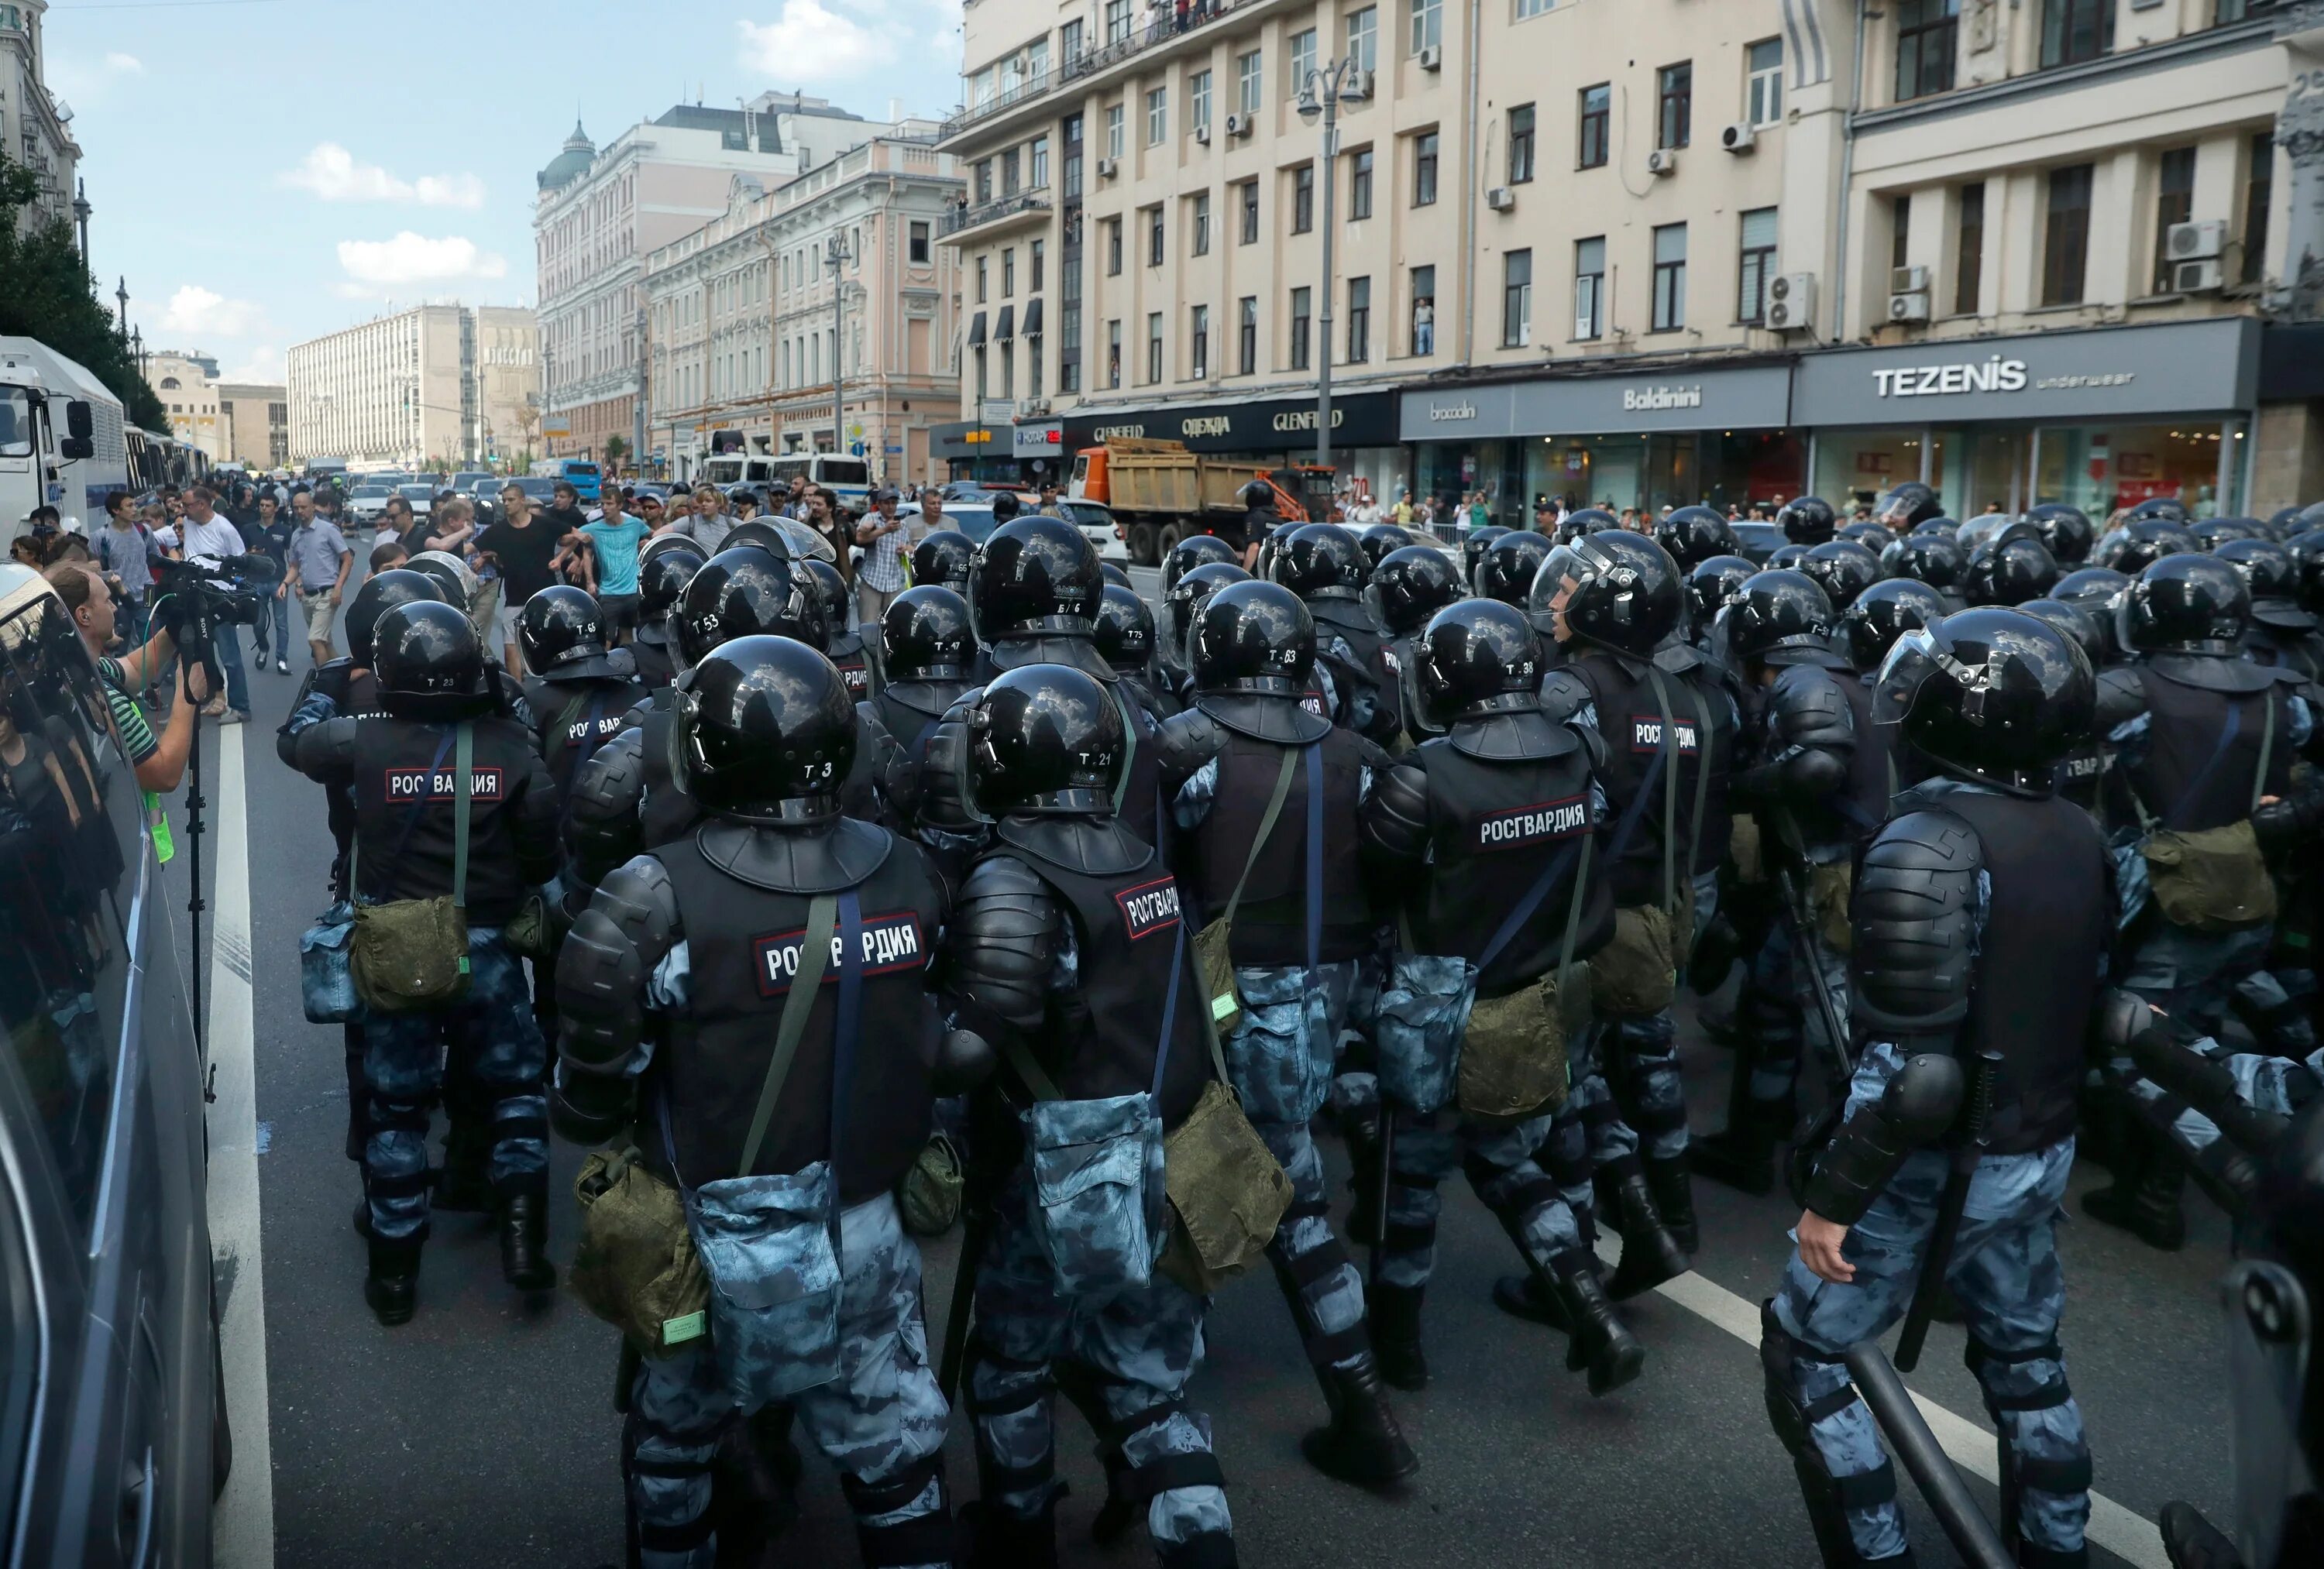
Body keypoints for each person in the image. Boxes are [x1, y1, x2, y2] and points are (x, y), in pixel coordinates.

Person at [552, 634, 959, 1569]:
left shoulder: (656, 892)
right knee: (896, 1456)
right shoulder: (913, 871)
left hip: (711, 1235)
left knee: (673, 1442)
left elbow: (587, 1087)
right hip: (868, 1222)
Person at [1762, 606, 2106, 1569]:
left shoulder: (1930, 841)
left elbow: (1914, 1077)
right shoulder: (2079, 828)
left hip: (1936, 1164)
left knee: (1807, 1353)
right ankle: (2057, 1547)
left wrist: (1832, 1201)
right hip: (2037, 1148)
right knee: (2027, 1361)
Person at [940, 663, 1240, 1568]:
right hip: (1163, 1148)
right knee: (1156, 1388)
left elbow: (971, 1047)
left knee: (1009, 1367)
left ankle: (1019, 1539)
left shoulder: (1013, 878)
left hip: (1058, 1166)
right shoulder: (1138, 853)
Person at [1153, 581, 1416, 1488]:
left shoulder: (1187, 748)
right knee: (1296, 1191)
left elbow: (1147, 875)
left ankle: (1166, 1440)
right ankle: (1363, 1406)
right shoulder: (1360, 754)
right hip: (1326, 992)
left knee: (1180, 1189)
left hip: (1214, 998)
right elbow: (1389, 871)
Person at [1356, 599, 1637, 1393]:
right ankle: (1594, 1311)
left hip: (1442, 1009)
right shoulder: (1581, 758)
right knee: (1512, 1161)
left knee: (1412, 1178)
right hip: (1547, 999)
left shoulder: (1424, 775)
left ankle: (1398, 1345)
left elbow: (1377, 879)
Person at [290, 600, 561, 1323]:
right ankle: (525, 1246)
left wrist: (329, 675)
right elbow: (542, 852)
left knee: (397, 1112)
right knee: (517, 1096)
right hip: (493, 953)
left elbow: (298, 743)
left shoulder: (363, 742)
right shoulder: (510, 745)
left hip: (397, 954)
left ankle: (396, 1278)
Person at [2082, 553, 2320, 1250]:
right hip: (2246, 897)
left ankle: (2240, 1176)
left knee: (2142, 1054)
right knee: (2198, 1042)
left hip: (2162, 908)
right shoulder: (2288, 696)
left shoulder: (2129, 691)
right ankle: (2147, 1193)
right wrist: (2279, 822)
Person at [1534, 530, 1737, 1267]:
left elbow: (1554, 804)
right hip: (1666, 905)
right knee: (1653, 1062)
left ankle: (1582, 1253)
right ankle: (1674, 1219)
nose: (1555, 599)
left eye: (1567, 590)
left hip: (1592, 916)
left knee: (1568, 1078)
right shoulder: (1689, 689)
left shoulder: (1574, 689)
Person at [1694, 569, 1889, 1196]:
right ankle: (1753, 1140)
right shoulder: (1848, 680)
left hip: (1830, 881)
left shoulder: (1805, 682)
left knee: (1838, 1040)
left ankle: (1859, 1183)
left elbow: (1817, 766)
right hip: (1818, 877)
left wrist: (1737, 789)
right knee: (1769, 1004)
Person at [46, 563, 201, 794]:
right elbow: (165, 775)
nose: (114, 608)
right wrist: (188, 693)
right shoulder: (101, 699)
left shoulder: (80, 667)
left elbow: (134, 670)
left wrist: (174, 629)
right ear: (84, 615)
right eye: (107, 601)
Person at [177, 486, 254, 724]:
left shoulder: (224, 528)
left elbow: (241, 560)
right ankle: (213, 699)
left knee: (229, 655)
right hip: (192, 595)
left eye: (187, 505)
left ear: (202, 505)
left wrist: (232, 588)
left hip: (218, 599)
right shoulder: (187, 523)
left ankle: (241, 708)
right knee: (199, 653)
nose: (183, 510)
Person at [478, 482, 567, 675]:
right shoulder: (499, 530)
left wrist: (560, 559)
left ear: (522, 500)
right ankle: (517, 690)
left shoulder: (544, 524)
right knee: (510, 644)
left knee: (550, 640)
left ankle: (552, 682)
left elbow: (578, 536)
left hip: (544, 596)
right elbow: (472, 548)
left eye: (511, 500)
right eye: (504, 501)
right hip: (515, 597)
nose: (507, 504)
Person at [284, 489, 354, 671]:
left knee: (315, 640)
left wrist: (338, 588)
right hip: (308, 597)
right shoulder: (296, 535)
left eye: (304, 507)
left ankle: (323, 684)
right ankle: (347, 675)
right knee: (325, 642)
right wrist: (287, 584)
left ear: (313, 507)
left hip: (327, 593)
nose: (300, 511)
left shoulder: (328, 530)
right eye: (296, 507)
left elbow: (347, 559)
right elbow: (295, 566)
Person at [577, 493, 649, 640]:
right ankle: (606, 664)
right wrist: (589, 581)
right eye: (602, 504)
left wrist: (648, 542)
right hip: (609, 592)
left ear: (620, 505)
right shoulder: (593, 528)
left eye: (609, 504)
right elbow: (573, 542)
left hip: (633, 591)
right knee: (606, 639)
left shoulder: (635, 524)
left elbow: (657, 536)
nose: (604, 508)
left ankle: (627, 663)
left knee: (630, 634)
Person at [96, 491, 160, 648]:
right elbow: (95, 569)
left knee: (152, 645)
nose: (135, 509)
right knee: (121, 646)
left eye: (135, 505)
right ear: (116, 510)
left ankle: (156, 673)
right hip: (120, 598)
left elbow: (156, 558)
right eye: (129, 505)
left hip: (147, 593)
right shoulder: (102, 536)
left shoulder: (144, 531)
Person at [853, 486, 917, 633]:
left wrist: (906, 549)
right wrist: (884, 530)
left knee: (894, 626)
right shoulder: (871, 518)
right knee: (868, 626)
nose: (890, 507)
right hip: (872, 580)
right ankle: (869, 656)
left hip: (895, 582)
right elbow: (860, 539)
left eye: (893, 503)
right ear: (880, 504)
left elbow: (913, 549)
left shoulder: (904, 525)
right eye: (887, 503)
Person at [246, 493, 296, 672]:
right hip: (256, 582)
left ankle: (281, 659)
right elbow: (240, 554)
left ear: (275, 508)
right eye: (262, 505)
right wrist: (250, 553)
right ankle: (263, 648)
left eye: (268, 505)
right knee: (258, 623)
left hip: (278, 581)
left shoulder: (284, 531)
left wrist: (295, 582)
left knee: (281, 623)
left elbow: (292, 558)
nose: (264, 509)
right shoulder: (249, 529)